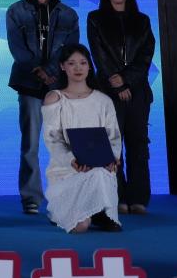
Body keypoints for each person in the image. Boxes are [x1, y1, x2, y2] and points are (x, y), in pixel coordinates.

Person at [6, 0, 79, 215]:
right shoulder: (16, 10)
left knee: (65, 142)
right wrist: (39, 70)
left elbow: (71, 50)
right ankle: (31, 197)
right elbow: (17, 48)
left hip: (59, 86)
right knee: (30, 144)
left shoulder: (68, 14)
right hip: (28, 84)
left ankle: (67, 192)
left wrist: (51, 71)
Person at [86, 0, 155, 215]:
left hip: (137, 91)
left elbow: (146, 56)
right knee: (112, 144)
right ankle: (117, 196)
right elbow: (99, 55)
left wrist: (126, 80)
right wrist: (116, 83)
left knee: (138, 144)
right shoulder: (95, 18)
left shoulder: (142, 20)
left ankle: (139, 197)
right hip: (107, 91)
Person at [43, 43, 123, 233]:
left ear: (89, 66)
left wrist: (113, 157)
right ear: (63, 66)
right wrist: (71, 160)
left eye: (83, 63)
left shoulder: (103, 100)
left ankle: (102, 211)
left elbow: (114, 137)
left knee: (99, 173)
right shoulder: (55, 98)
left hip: (100, 170)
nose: (78, 68)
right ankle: (61, 210)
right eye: (71, 63)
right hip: (67, 170)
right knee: (79, 227)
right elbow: (53, 139)